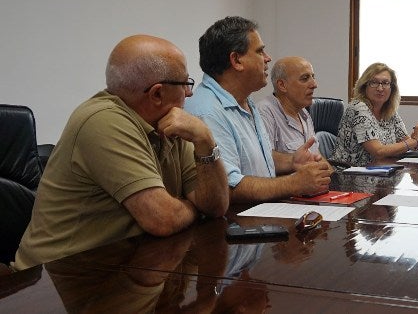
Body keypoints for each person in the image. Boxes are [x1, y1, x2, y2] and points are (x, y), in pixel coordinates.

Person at [12, 35, 229, 271]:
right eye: (186, 84)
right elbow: (163, 219)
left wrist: (205, 140)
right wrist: (196, 208)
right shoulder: (103, 120)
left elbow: (216, 206)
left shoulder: (171, 124)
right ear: (157, 94)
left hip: (126, 265)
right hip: (55, 280)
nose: (190, 93)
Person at [184, 16, 331, 203]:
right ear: (236, 60)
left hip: (262, 217)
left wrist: (292, 161)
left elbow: (255, 161)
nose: (268, 58)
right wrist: (294, 183)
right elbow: (227, 187)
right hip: (234, 226)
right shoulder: (207, 112)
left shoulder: (245, 101)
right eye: (260, 51)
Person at [330, 62, 418, 166]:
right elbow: (378, 152)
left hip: (379, 172)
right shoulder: (358, 108)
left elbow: (407, 143)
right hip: (349, 174)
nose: (380, 88)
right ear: (364, 86)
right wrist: (414, 142)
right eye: (374, 82)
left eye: (385, 83)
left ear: (392, 88)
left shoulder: (390, 112)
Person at [256, 56, 320, 154]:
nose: (314, 84)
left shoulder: (304, 113)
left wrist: (330, 170)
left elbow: (317, 156)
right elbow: (266, 160)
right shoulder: (264, 112)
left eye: (313, 77)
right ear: (282, 85)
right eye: (305, 78)